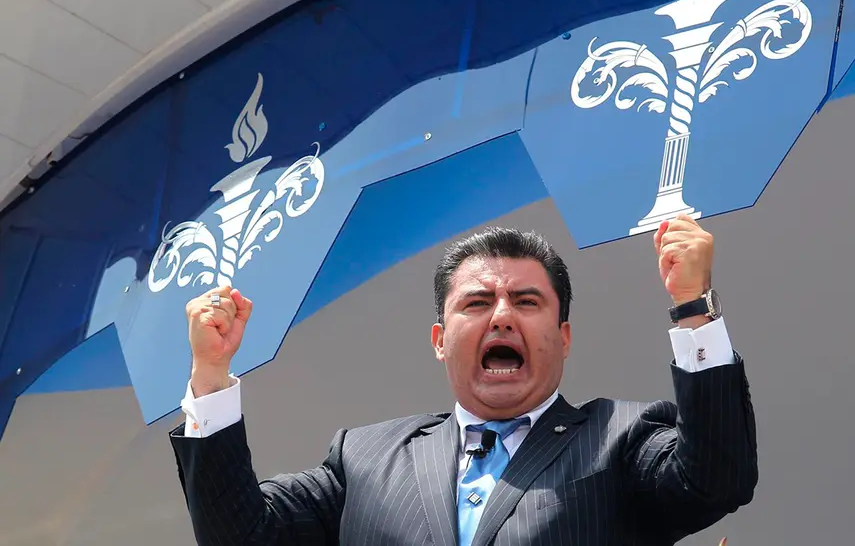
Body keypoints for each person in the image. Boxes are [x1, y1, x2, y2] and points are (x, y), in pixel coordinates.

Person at [169, 215, 757, 545]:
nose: (501, 314)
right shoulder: (365, 459)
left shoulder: (620, 436)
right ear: (440, 340)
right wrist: (211, 373)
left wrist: (692, 305)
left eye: (526, 300)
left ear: (565, 337)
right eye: (477, 302)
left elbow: (716, 479)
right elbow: (238, 538)